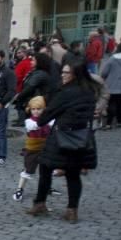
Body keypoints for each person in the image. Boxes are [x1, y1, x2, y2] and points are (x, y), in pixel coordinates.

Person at [27, 63, 98, 223]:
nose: (62, 75)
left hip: (61, 137)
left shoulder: (66, 93)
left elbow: (47, 115)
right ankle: (72, 210)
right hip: (81, 138)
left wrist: (41, 119)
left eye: (66, 72)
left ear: (74, 75)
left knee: (45, 168)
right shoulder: (89, 92)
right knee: (73, 174)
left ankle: (40, 203)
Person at [13, 96, 52, 202]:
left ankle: (47, 188)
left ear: (43, 109)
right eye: (33, 109)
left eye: (39, 109)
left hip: (46, 149)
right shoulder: (29, 121)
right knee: (28, 169)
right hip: (32, 149)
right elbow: (35, 126)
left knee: (47, 170)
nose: (36, 111)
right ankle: (19, 189)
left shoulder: (49, 120)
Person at [101, 43, 121, 129]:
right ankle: (120, 120)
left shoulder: (113, 59)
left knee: (112, 103)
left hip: (113, 85)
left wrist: (103, 78)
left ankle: (109, 123)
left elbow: (104, 72)